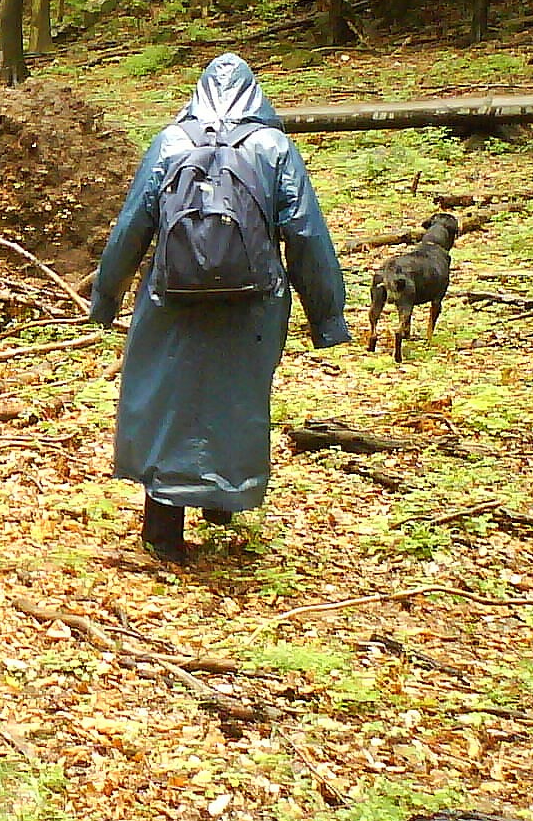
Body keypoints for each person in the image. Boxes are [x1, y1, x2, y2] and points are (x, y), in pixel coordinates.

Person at [89, 53, 350, 563]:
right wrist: (327, 318)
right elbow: (305, 233)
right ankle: (222, 501)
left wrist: (105, 299)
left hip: (171, 300)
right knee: (236, 400)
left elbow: (131, 229)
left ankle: (162, 531)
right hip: (252, 304)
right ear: (257, 95)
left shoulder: (169, 143)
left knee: (165, 401)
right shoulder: (274, 148)